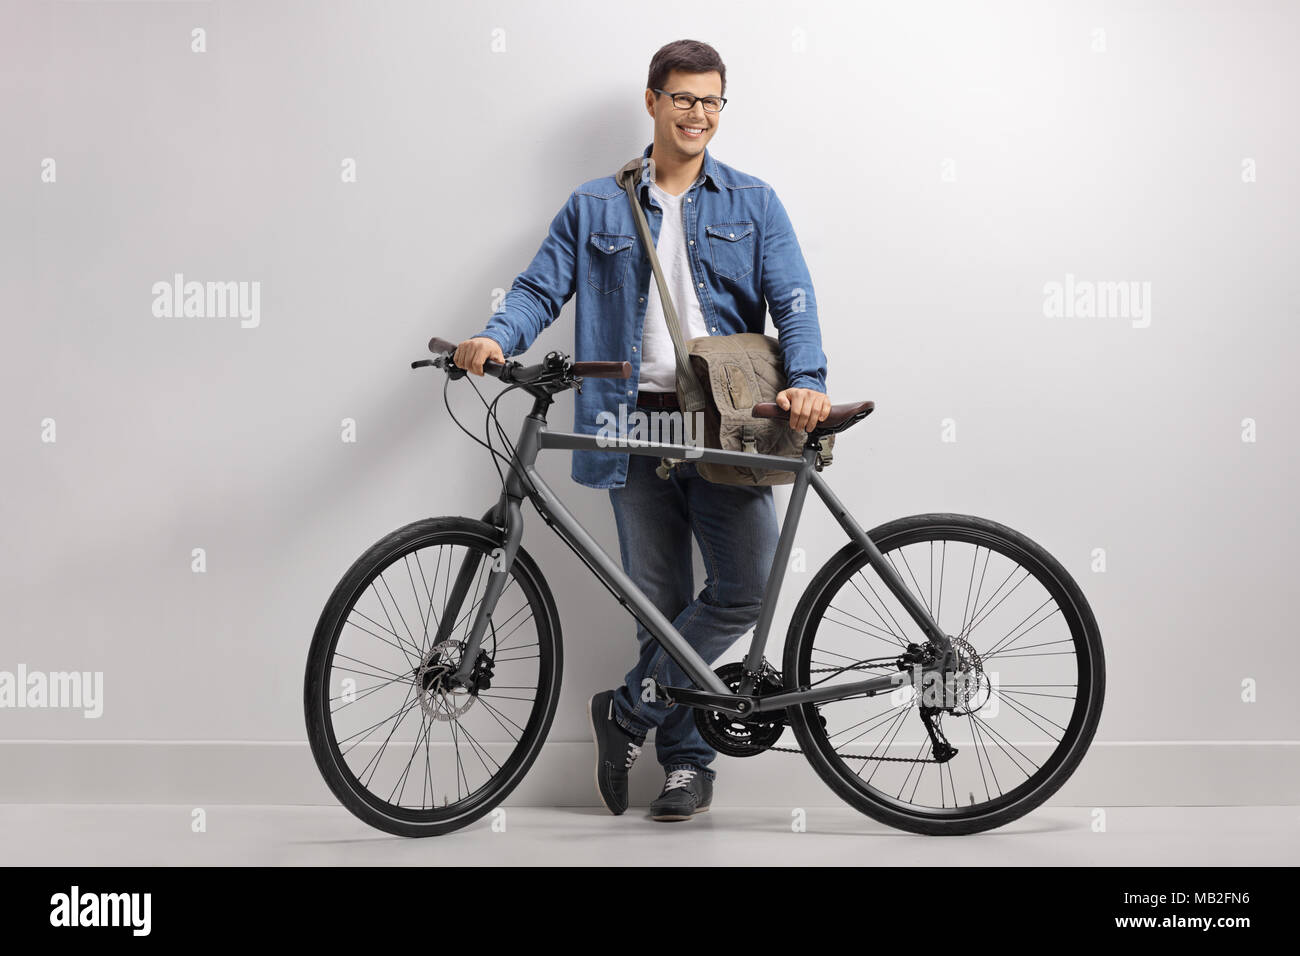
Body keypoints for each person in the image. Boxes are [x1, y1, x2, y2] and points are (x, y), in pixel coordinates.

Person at [454, 39, 830, 822]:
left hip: (728, 426)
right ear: (652, 100)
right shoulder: (597, 204)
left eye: (712, 101)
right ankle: (686, 766)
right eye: (684, 98)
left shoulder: (752, 202)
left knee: (745, 589)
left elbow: (792, 299)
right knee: (658, 605)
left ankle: (626, 713)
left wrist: (806, 382)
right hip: (629, 425)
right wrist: (497, 337)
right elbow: (537, 286)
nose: (699, 115)